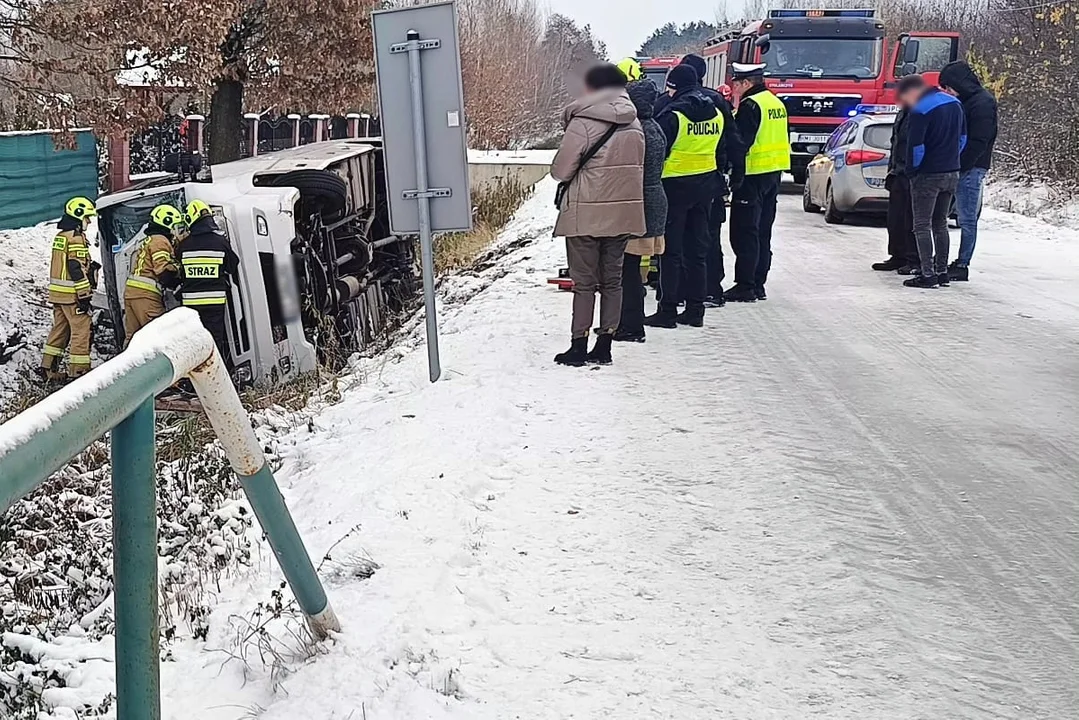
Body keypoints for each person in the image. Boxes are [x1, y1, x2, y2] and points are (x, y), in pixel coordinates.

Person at [550, 62, 646, 366]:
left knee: (585, 283)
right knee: (613, 281)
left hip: (586, 214)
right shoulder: (635, 123)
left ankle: (578, 345)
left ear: (591, 88)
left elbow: (561, 171)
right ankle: (604, 344)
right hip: (622, 214)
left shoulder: (582, 122)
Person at [646, 64, 725, 329]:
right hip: (705, 188)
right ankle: (695, 310)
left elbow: (659, 151)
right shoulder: (715, 113)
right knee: (698, 251)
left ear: (674, 87)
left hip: (675, 188)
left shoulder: (674, 116)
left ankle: (667, 310)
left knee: (671, 252)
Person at [675, 54, 745, 307]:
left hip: (678, 181)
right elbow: (733, 138)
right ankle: (711, 289)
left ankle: (681, 291)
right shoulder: (716, 101)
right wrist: (737, 173)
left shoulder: (675, 104)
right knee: (709, 237)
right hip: (712, 179)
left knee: (679, 240)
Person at [725, 63, 789, 303]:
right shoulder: (776, 103)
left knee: (744, 232)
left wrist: (734, 175)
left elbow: (742, 143)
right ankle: (759, 283)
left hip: (753, 175)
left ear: (746, 83)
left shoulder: (751, 105)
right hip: (773, 174)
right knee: (763, 230)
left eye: (736, 84)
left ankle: (745, 285)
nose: (734, 89)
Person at [898, 74, 967, 289]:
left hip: (928, 174)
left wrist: (912, 170)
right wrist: (952, 158)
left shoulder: (921, 109)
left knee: (921, 225)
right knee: (940, 223)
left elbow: (917, 146)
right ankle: (942, 271)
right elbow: (963, 139)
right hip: (952, 171)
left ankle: (927, 274)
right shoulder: (956, 103)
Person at [616, 77, 668, 343]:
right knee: (633, 267)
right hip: (655, 201)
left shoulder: (635, 131)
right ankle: (630, 323)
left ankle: (631, 325)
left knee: (627, 269)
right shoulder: (656, 127)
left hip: (638, 204)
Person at [939, 61, 998, 282]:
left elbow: (979, 140)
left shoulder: (981, 103)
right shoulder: (969, 101)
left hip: (971, 167)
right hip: (962, 165)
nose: (948, 92)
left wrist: (961, 165)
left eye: (948, 87)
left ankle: (963, 263)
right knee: (957, 215)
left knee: (966, 217)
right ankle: (955, 261)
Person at [37, 197, 97, 382]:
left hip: (58, 294)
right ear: (78, 216)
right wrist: (84, 294)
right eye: (87, 218)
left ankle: (48, 368)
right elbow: (75, 267)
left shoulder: (61, 237)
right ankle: (78, 372)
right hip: (72, 295)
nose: (88, 222)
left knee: (60, 329)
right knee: (81, 329)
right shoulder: (75, 238)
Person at [177, 199, 241, 371]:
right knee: (214, 341)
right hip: (215, 302)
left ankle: (195, 379)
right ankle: (215, 376)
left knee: (194, 343)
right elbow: (233, 266)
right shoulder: (220, 243)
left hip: (191, 305)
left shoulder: (184, 246)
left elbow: (179, 273)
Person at [123, 204, 183, 344]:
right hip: (146, 296)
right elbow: (162, 270)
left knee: (132, 338)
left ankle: (128, 364)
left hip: (133, 293)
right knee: (157, 335)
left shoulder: (151, 239)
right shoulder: (160, 241)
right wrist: (178, 280)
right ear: (166, 222)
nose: (175, 230)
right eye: (174, 225)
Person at [873, 100, 919, 274]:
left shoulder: (920, 112)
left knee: (910, 218)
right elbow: (896, 143)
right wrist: (891, 170)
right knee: (895, 218)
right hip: (897, 171)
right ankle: (897, 255)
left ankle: (912, 258)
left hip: (911, 172)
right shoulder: (903, 113)